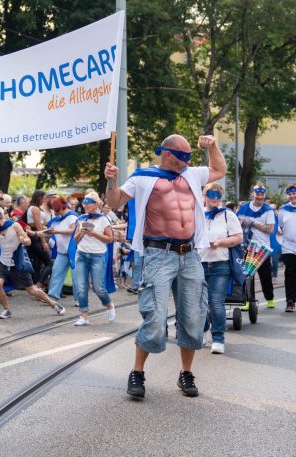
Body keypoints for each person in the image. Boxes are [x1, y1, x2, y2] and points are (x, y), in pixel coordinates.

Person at [105, 133, 226, 399]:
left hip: (190, 255)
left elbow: (219, 169)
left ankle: (186, 373)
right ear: (167, 153)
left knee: (194, 317)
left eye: (189, 158)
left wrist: (213, 146)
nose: (186, 162)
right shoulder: (143, 177)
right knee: (156, 317)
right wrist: (111, 180)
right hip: (159, 254)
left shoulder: (192, 175)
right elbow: (114, 202)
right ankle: (137, 372)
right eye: (182, 157)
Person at [0, 207, 63, 319]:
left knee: (32, 290)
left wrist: (24, 240)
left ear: (0, 218)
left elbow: (27, 241)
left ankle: (53, 304)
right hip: (2, 262)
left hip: (17, 262)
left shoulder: (14, 225)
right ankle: (7, 309)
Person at [198, 183, 242, 354]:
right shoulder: (198, 214)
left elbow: (238, 237)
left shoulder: (227, 215)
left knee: (216, 302)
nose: (214, 198)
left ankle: (218, 339)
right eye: (211, 194)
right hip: (199, 264)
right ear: (204, 195)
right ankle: (202, 331)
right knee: (200, 303)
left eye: (218, 195)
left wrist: (220, 242)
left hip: (221, 265)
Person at [72, 191, 116, 326]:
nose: (85, 205)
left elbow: (110, 239)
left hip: (98, 256)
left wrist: (94, 233)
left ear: (96, 205)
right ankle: (84, 316)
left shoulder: (103, 219)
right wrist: (80, 232)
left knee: (98, 288)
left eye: (88, 203)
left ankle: (109, 305)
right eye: (84, 203)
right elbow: (75, 240)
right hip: (81, 255)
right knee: (81, 287)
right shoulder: (81, 218)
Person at [236, 183, 277, 309]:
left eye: (262, 194)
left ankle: (269, 298)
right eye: (257, 194)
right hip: (247, 246)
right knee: (247, 275)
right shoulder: (243, 208)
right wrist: (242, 223)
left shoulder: (268, 210)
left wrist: (252, 223)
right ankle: (248, 300)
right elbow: (237, 224)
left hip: (262, 248)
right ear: (252, 194)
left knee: (265, 275)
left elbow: (270, 230)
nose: (259, 196)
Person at [278, 183, 296, 312]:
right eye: (289, 194)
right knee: (290, 273)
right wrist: (279, 230)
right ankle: (290, 301)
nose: (292, 196)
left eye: (294, 193)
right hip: (288, 247)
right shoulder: (283, 209)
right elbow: (280, 225)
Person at [44, 196, 78, 304]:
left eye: (56, 209)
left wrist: (57, 232)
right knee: (56, 273)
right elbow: (49, 231)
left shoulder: (72, 217)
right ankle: (52, 297)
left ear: (62, 207)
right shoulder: (56, 219)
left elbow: (73, 231)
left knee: (77, 276)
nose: (55, 211)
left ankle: (80, 299)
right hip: (62, 252)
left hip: (74, 251)